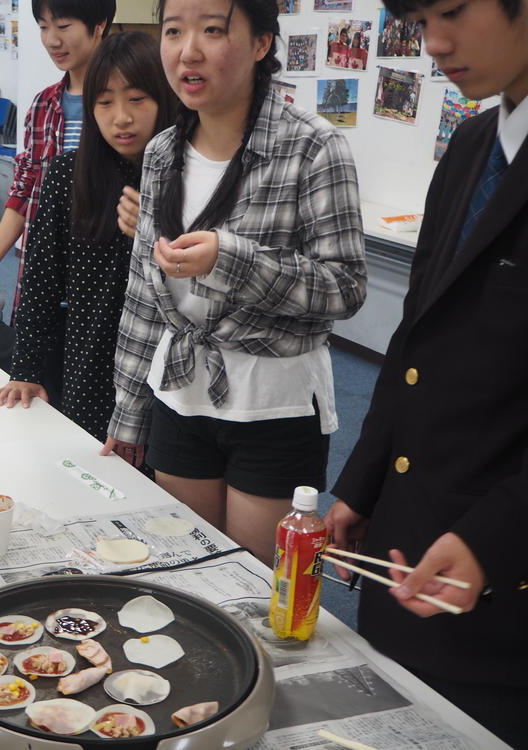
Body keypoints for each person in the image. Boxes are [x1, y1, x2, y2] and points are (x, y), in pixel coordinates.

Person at [325, 0, 528, 741]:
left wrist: (495, 538)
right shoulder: (474, 142)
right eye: (417, 18)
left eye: (452, 11)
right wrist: (362, 480)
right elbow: (417, 337)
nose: (433, 43)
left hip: (500, 590)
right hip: (410, 546)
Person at [102, 0, 366, 563]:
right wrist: (128, 412)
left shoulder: (312, 146)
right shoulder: (161, 154)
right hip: (180, 392)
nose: (187, 50)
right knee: (184, 567)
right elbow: (144, 296)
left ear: (261, 43)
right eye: (173, 31)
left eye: (213, 30)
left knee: (253, 584)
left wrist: (233, 260)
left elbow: (344, 286)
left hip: (272, 402)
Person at [0, 32, 175, 441]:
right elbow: (40, 277)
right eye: (105, 102)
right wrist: (25, 368)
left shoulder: (186, 176)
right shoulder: (67, 174)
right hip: (87, 360)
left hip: (164, 374)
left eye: (137, 99)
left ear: (165, 99)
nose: (121, 117)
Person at [0, 0, 117, 326]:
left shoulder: (126, 109)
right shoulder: (44, 105)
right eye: (44, 27)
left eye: (63, 27)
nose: (52, 40)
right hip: (46, 278)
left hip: (105, 287)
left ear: (99, 25)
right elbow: (22, 195)